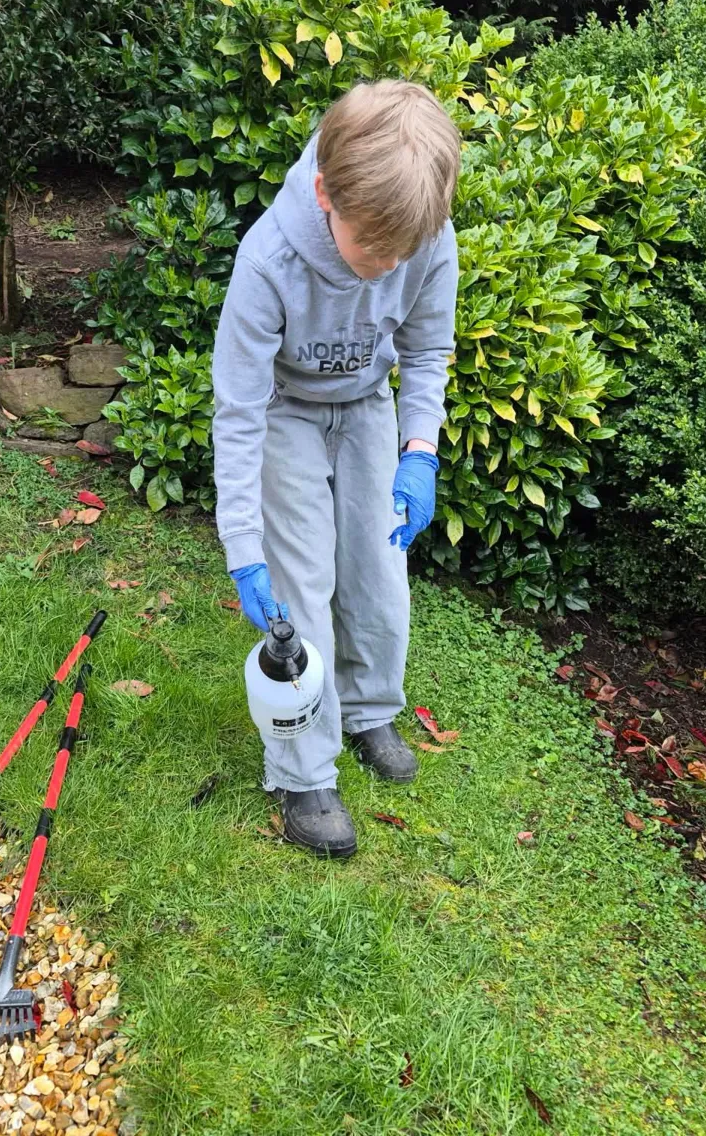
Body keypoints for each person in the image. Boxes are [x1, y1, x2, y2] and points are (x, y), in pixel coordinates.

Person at [212, 79, 460, 857]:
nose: (387, 269)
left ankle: (367, 709)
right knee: (301, 589)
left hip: (365, 410)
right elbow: (240, 412)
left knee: (381, 575)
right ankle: (300, 769)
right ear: (325, 195)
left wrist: (420, 449)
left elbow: (425, 351)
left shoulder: (426, 233)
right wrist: (244, 549)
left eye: (404, 253)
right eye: (373, 249)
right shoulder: (268, 260)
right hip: (284, 411)